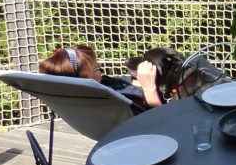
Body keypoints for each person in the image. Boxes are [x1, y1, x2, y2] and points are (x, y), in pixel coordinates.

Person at [38, 44, 180, 115]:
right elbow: (164, 122)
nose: (101, 71)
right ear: (84, 80)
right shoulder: (112, 101)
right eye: (96, 69)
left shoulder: (75, 99)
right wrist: (150, 90)